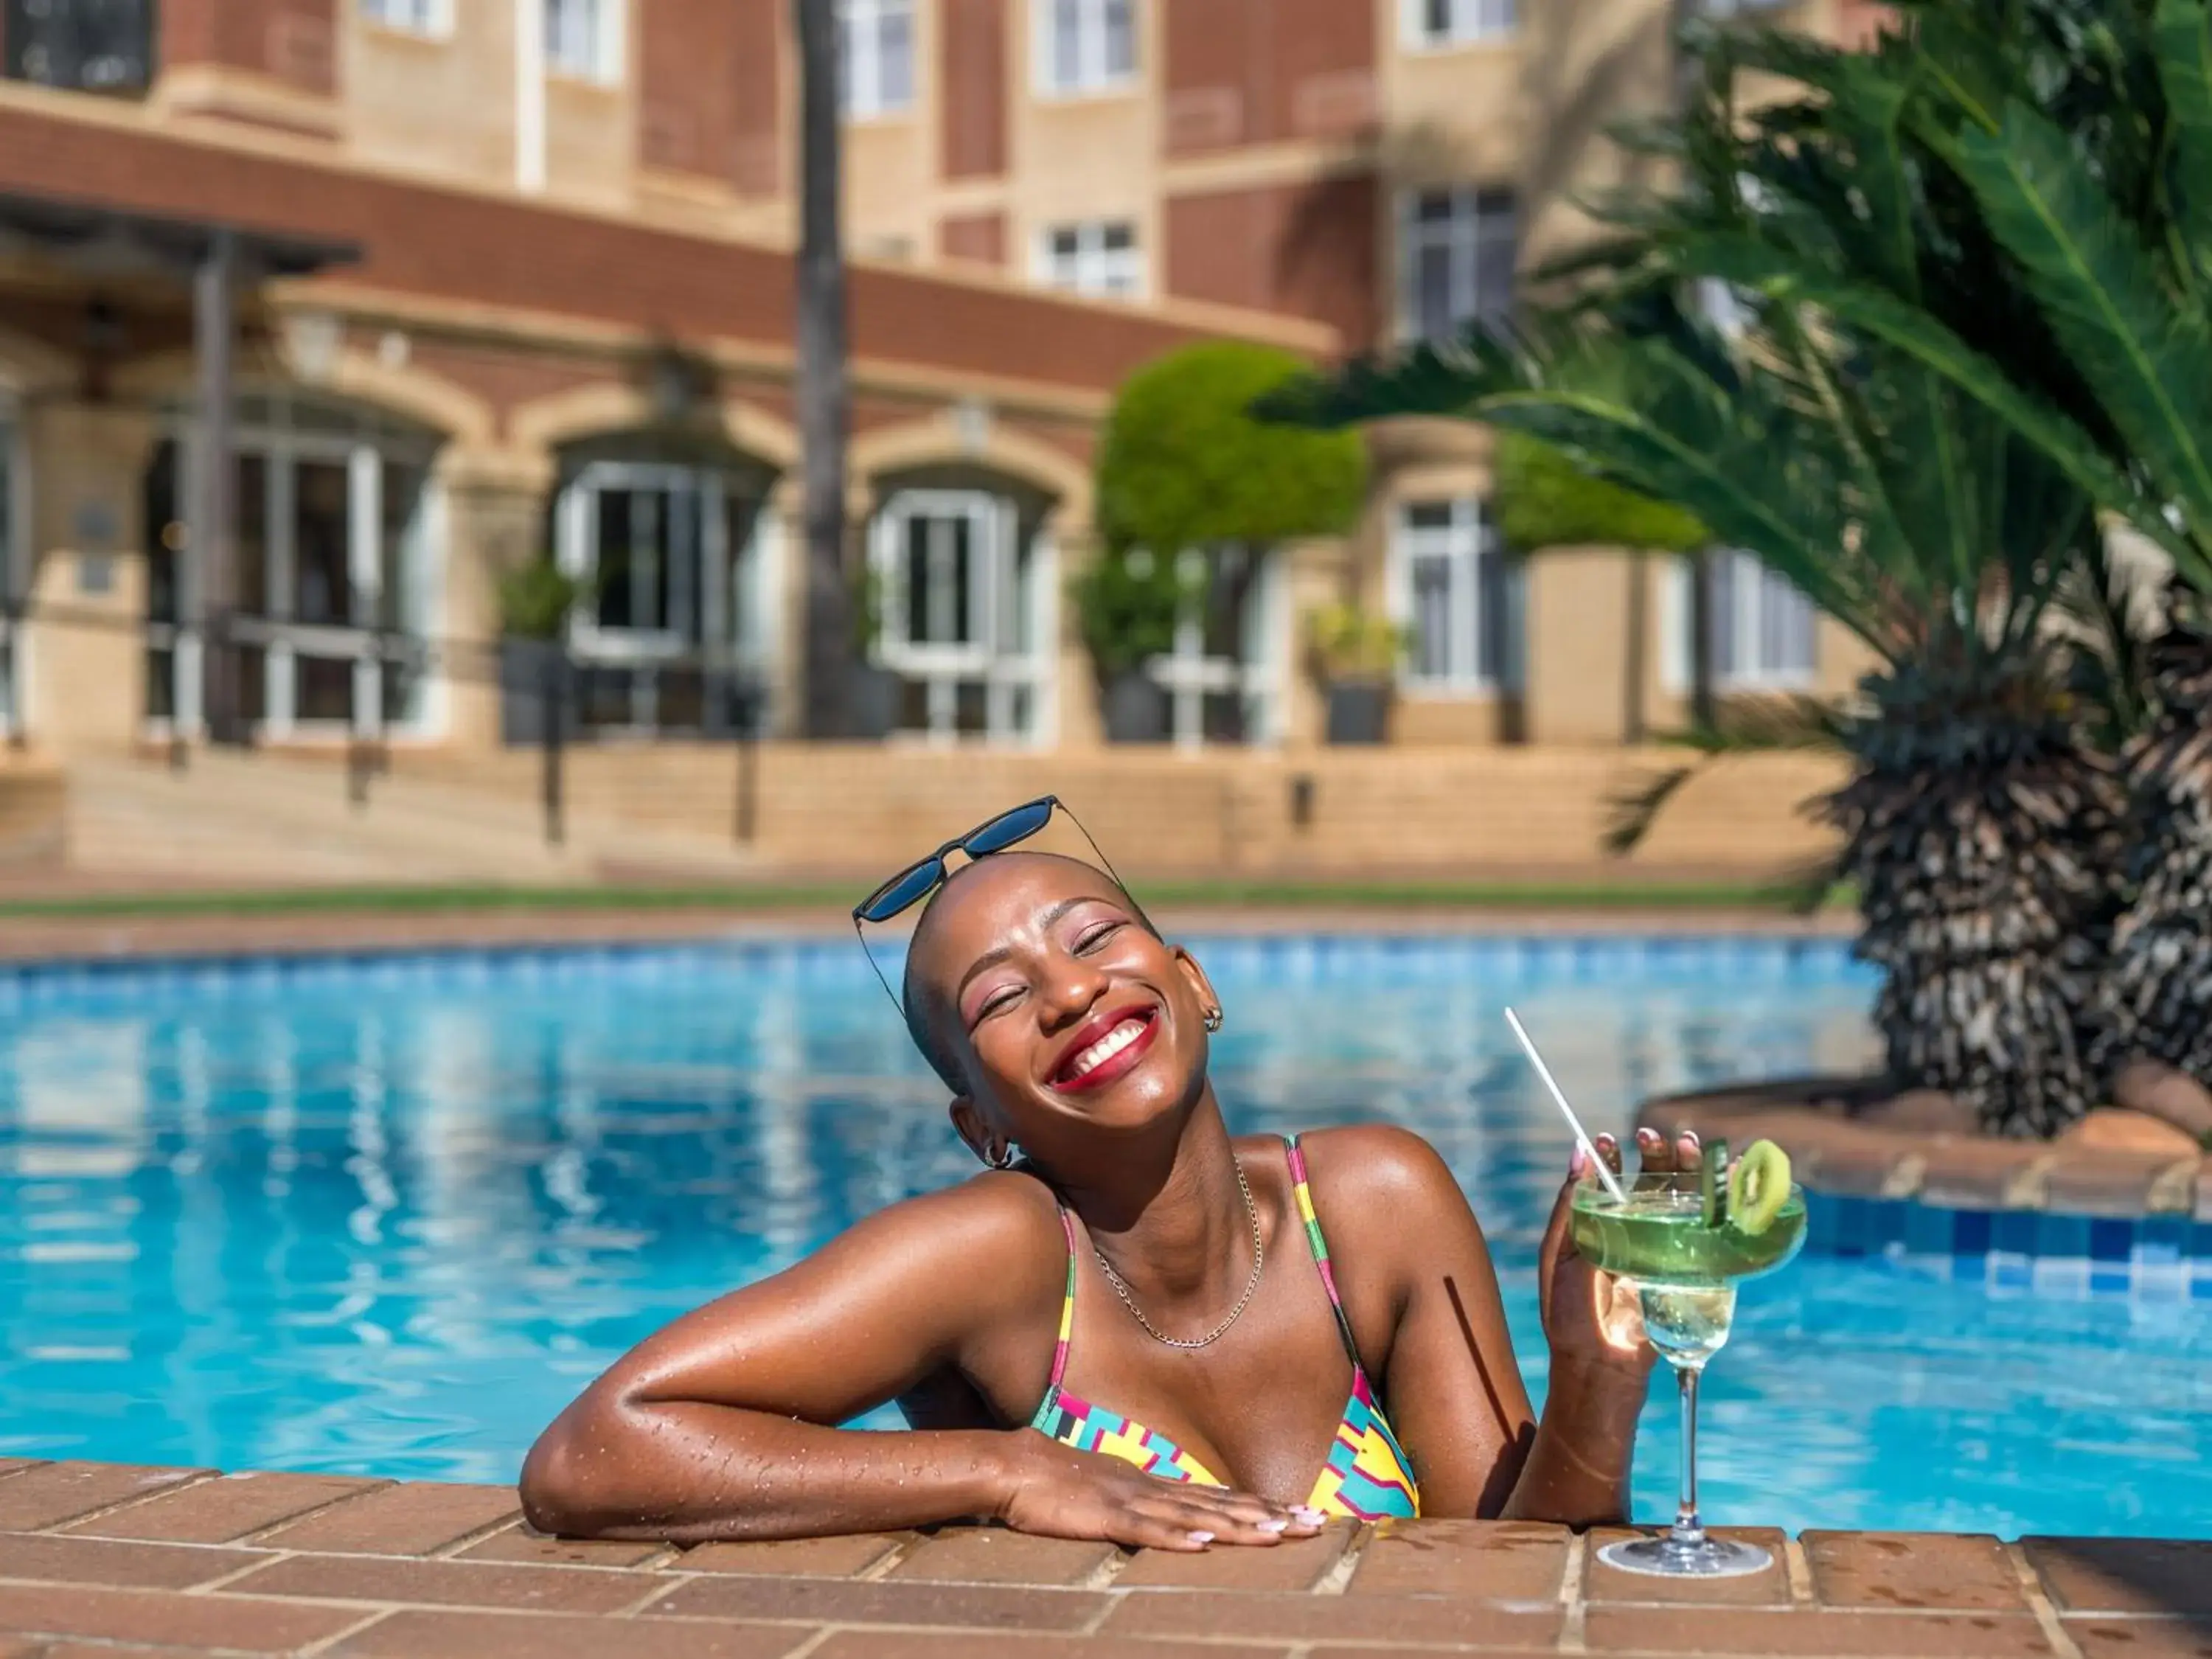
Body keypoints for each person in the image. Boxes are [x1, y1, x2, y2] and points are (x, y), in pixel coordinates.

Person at [521, 799, 1693, 1549]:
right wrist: (1002, 1467)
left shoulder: (1374, 1203)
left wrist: (1597, 1377)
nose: (1072, 991)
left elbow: (1519, 1574)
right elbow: (593, 1451)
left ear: (1194, 982)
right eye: (999, 996)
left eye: (1091, 938)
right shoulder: (998, 1253)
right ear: (979, 1123)